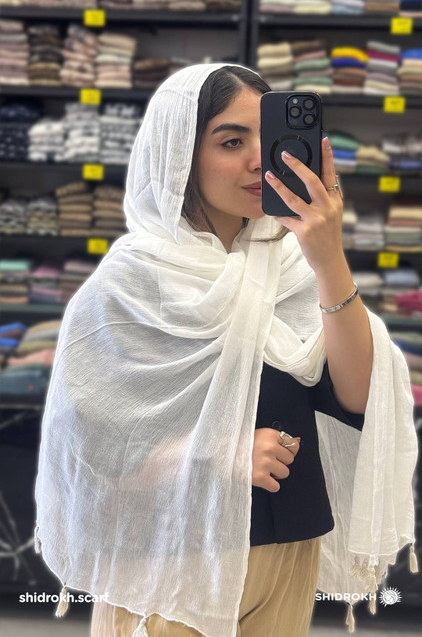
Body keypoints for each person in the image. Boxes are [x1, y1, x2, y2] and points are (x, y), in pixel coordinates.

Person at [33, 63, 419, 637]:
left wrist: (328, 258)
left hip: (287, 550)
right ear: (181, 156)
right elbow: (91, 456)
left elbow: (362, 397)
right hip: (168, 555)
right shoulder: (126, 288)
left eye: (269, 137)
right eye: (232, 141)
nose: (260, 159)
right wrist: (220, 455)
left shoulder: (291, 270)